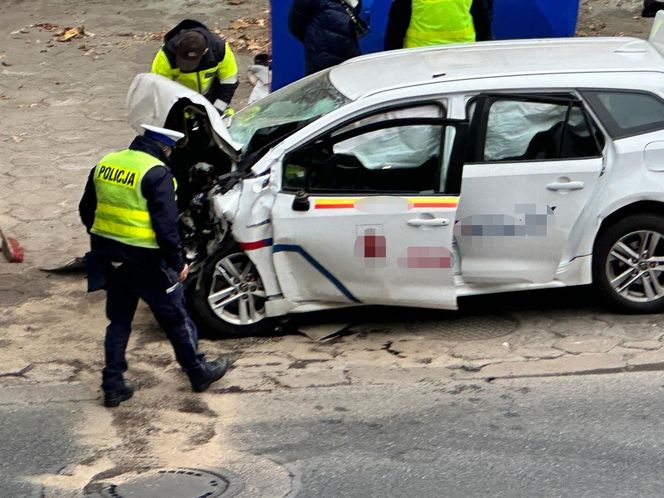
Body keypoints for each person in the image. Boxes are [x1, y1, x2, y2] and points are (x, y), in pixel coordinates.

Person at [79, 124, 229, 408]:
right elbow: (166, 226)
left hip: (109, 257)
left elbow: (87, 209)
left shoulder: (107, 163)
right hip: (147, 262)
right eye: (170, 151)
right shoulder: (157, 173)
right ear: (164, 149)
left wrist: (104, 240)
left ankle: (112, 385)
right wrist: (178, 261)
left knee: (119, 322)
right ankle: (198, 373)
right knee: (176, 319)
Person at [151, 19, 238, 113]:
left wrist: (217, 111)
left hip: (213, 104)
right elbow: (159, 90)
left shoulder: (220, 50)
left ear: (205, 51)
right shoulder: (166, 56)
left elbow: (229, 83)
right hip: (178, 107)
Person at [289, 0, 367, 75]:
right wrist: (316, 39)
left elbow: (357, 15)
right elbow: (296, 24)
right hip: (323, 57)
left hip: (349, 54)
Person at [384, 0, 493, 50]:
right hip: (462, 51)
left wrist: (390, 57)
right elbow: (482, 21)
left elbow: (396, 27)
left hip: (420, 53)